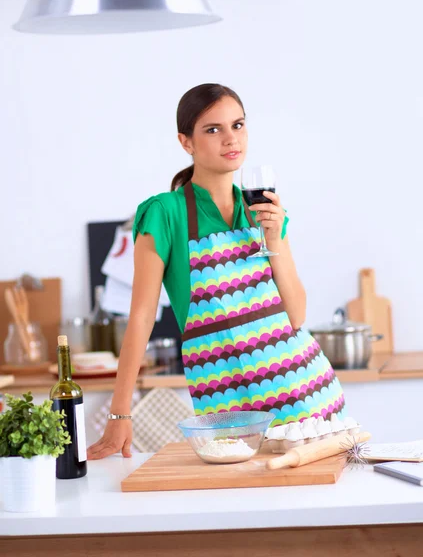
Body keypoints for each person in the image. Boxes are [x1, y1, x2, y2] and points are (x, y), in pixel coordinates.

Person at [87, 83, 346, 460]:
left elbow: (296, 315)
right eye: (213, 129)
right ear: (185, 142)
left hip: (308, 401)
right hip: (232, 414)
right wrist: (119, 413)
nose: (230, 139)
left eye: (238, 125)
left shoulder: (264, 209)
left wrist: (274, 235)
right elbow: (141, 317)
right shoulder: (165, 213)